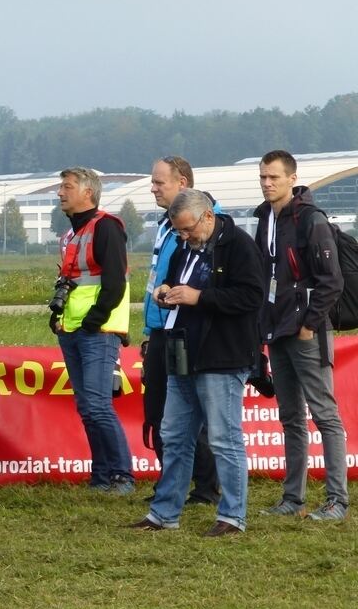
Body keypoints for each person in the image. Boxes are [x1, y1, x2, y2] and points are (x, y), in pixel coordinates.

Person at [128, 189, 264, 535]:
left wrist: (198, 297)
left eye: (188, 229)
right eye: (178, 231)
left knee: (223, 438)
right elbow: (171, 283)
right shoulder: (184, 247)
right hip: (182, 351)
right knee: (174, 435)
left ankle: (232, 516)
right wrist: (165, 293)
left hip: (223, 355)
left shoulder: (239, 246)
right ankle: (164, 513)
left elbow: (251, 296)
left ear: (207, 216)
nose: (184, 236)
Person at [254, 150, 349, 521]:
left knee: (325, 415)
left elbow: (332, 281)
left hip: (307, 332)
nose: (267, 183)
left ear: (291, 178)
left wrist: (309, 324)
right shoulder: (264, 218)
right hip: (277, 331)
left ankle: (337, 500)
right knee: (290, 417)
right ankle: (293, 498)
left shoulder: (311, 220)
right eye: (263, 177)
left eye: (274, 177)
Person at [50, 167, 135, 494]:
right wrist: (58, 316)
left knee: (98, 406)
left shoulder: (106, 227)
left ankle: (122, 475)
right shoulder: (71, 234)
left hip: (97, 331)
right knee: (88, 407)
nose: (60, 192)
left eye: (67, 187)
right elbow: (73, 282)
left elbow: (114, 283)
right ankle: (101, 477)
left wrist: (94, 321)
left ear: (88, 193)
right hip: (72, 329)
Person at [142, 157, 220, 505]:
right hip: (161, 327)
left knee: (190, 413)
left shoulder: (207, 226)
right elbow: (159, 280)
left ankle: (204, 487)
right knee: (158, 411)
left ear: (183, 184)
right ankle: (170, 483)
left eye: (160, 182)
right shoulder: (165, 224)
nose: (153, 188)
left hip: (187, 330)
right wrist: (148, 330)